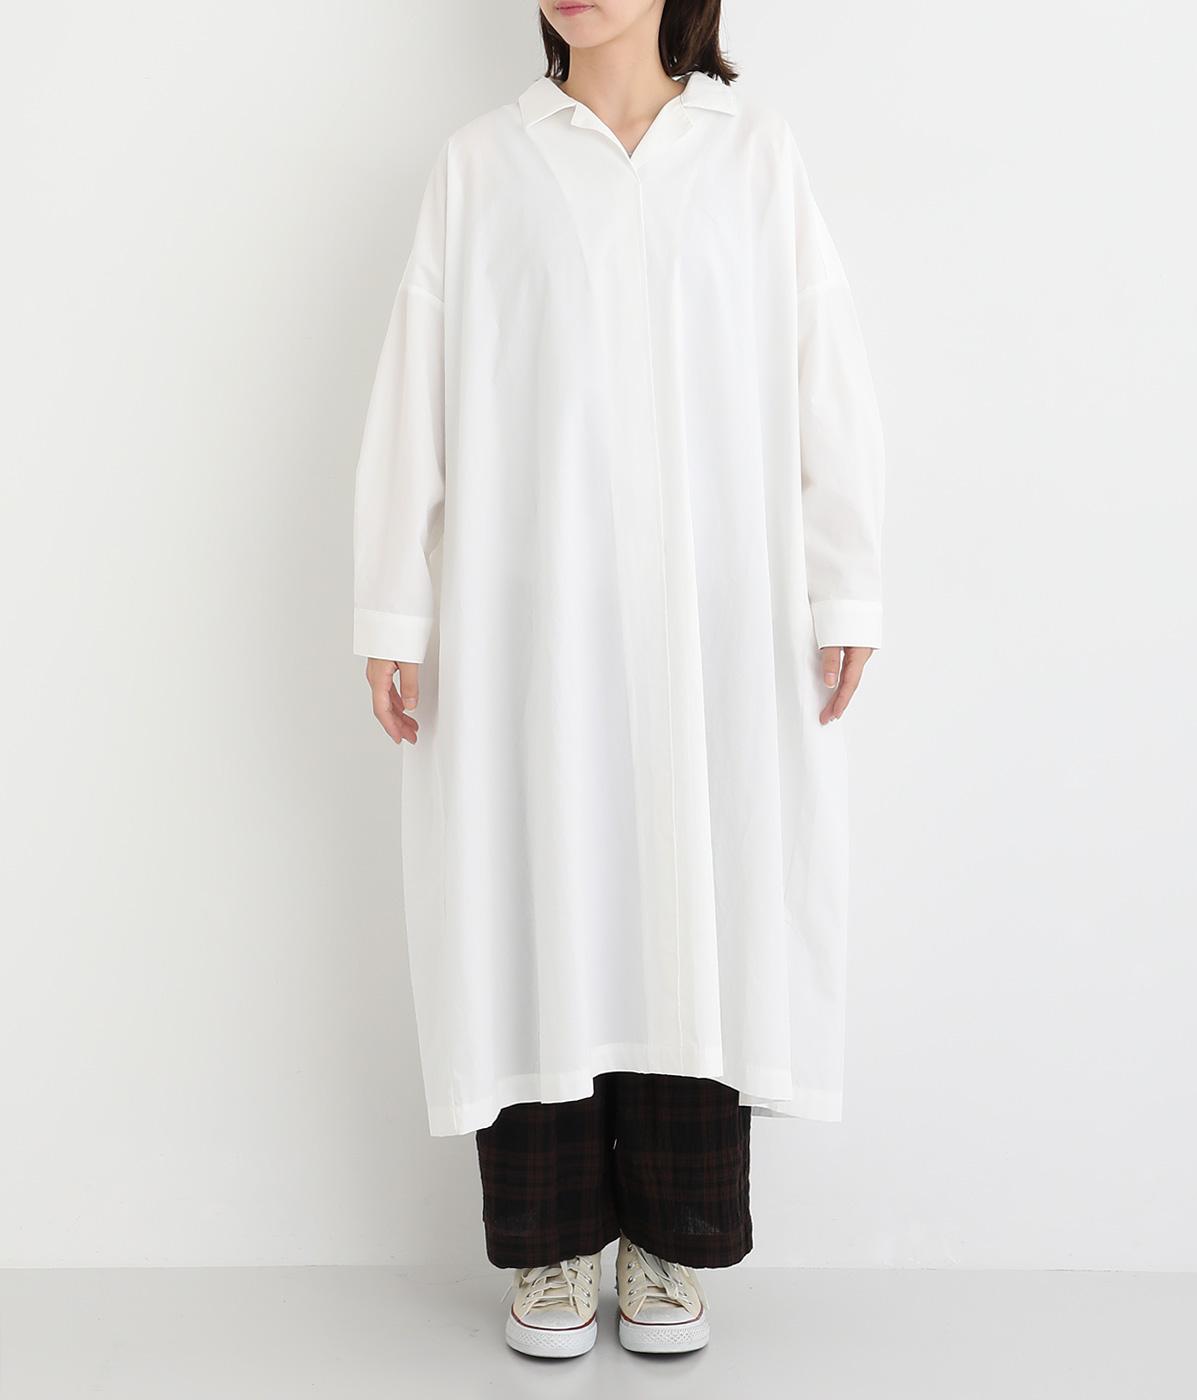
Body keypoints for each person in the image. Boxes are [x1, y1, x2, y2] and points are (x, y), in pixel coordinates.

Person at [351, 0, 885, 1360]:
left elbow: (823, 369)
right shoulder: (484, 164)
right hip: (528, 623)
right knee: (540, 890)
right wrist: (394, 604)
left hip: (714, 619)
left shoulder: (753, 156)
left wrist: (847, 582)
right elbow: (416, 388)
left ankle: (670, 1239)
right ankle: (548, 1244)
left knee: (690, 895)